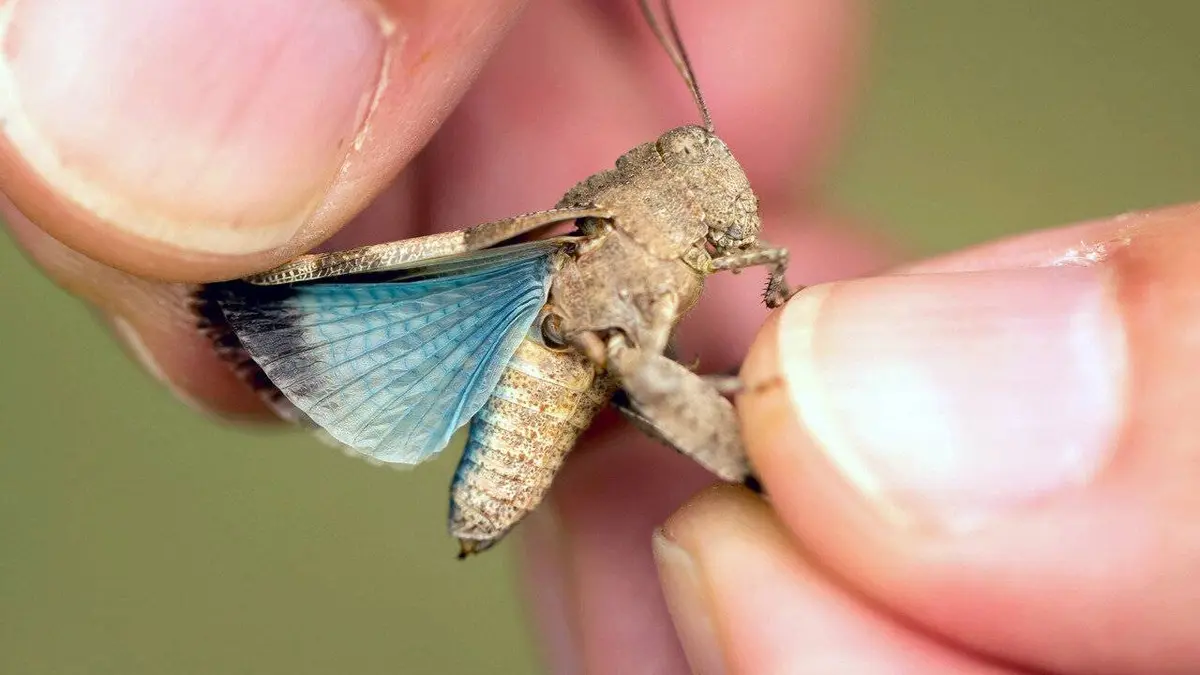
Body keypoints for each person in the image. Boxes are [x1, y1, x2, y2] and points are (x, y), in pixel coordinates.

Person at [2, 1, 1195, 673]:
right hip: (528, 343)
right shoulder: (599, 228)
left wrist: (758, 277)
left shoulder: (694, 229)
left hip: (600, 371)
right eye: (699, 181)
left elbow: (744, 252)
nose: (724, 201)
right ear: (663, 188)